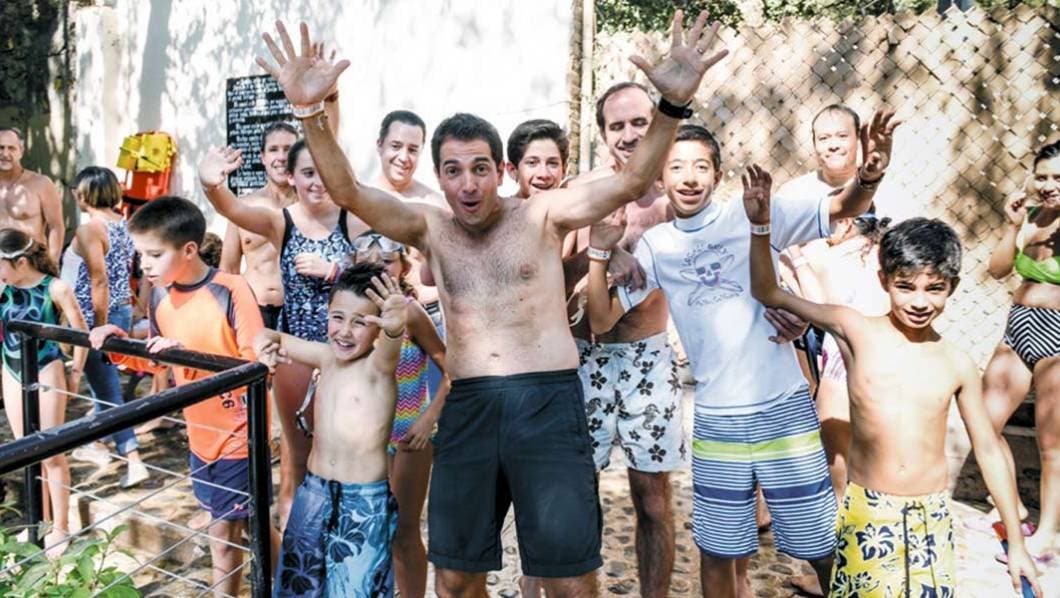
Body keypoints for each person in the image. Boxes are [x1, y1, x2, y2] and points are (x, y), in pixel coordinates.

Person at [256, 11, 728, 595]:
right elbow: (348, 190)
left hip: (547, 402)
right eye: (453, 171)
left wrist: (673, 106)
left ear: (500, 170)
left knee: (570, 581)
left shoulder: (542, 214)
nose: (468, 184)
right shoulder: (429, 226)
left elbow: (630, 183)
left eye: (480, 168)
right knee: (454, 578)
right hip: (471, 405)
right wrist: (310, 113)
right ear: (439, 176)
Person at [585, 120, 896, 596]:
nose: (689, 178)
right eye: (676, 167)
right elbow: (601, 318)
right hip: (717, 419)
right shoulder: (658, 245)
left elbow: (843, 206)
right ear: (660, 178)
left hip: (783, 410)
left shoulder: (755, 211)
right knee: (718, 551)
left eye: (700, 166)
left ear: (718, 174)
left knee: (819, 546)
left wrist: (869, 176)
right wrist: (599, 253)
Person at [741, 167, 1043, 596]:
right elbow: (768, 290)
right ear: (884, 280)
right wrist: (760, 226)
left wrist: (1016, 543)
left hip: (930, 518)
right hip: (867, 513)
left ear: (952, 287)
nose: (919, 301)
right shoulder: (855, 330)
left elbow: (989, 448)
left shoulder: (956, 363)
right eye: (906, 286)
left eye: (934, 288)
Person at [88, 196, 273, 597]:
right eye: (141, 255)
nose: (144, 265)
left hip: (239, 435)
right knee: (245, 525)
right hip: (200, 436)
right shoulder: (160, 296)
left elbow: (256, 366)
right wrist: (119, 343)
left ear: (189, 250)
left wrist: (185, 354)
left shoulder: (231, 290)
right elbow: (157, 361)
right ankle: (292, 579)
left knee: (223, 536)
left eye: (154, 255)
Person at [198, 140, 367, 530]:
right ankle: (299, 548)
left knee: (347, 456)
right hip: (297, 356)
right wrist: (210, 184)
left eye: (325, 172)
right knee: (298, 458)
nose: (318, 182)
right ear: (291, 177)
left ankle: (341, 538)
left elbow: (382, 275)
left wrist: (334, 271)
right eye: (308, 173)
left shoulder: (354, 220)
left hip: (348, 358)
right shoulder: (281, 222)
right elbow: (233, 209)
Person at [568, 82, 687, 598]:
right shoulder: (585, 191)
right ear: (602, 135)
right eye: (616, 126)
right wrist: (601, 252)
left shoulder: (675, 194)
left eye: (640, 122)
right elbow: (551, 267)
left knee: (653, 500)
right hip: (587, 358)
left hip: (647, 359)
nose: (629, 134)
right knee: (578, 496)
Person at [257, 265, 407, 597]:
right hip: (314, 493)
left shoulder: (377, 368)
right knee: (298, 586)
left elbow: (390, 350)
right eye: (338, 318)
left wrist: (395, 329)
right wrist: (262, 346)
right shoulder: (325, 358)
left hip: (362, 502)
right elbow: (272, 335)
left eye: (361, 322)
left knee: (356, 590)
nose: (345, 331)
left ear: (378, 327)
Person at [351, 230, 449, 598]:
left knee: (403, 533)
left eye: (387, 261)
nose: (378, 268)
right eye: (368, 261)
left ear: (403, 267)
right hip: (365, 438)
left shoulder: (410, 313)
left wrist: (429, 418)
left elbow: (450, 368)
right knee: (369, 530)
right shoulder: (351, 313)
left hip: (408, 434)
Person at [984, 139, 1060, 559]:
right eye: (1043, 177)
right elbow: (997, 270)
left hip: (1058, 338)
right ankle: (1014, 509)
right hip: (1018, 330)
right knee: (984, 421)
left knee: (1052, 444)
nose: (1049, 185)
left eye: (1058, 178)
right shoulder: (1032, 218)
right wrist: (1013, 227)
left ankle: (1046, 535)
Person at [62, 166, 150, 489]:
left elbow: (99, 280)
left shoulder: (90, 230)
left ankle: (133, 459)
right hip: (119, 310)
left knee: (107, 389)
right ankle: (98, 442)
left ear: (83, 194)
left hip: (93, 316)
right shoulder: (123, 224)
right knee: (104, 383)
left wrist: (99, 326)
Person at [0, 228, 86, 554]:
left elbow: (81, 332)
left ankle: (61, 527)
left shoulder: (56, 288)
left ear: (21, 262)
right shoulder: (3, 289)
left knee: (51, 453)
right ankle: (38, 522)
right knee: (26, 452)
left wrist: (75, 373)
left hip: (47, 369)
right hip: (11, 372)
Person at [220, 121, 300, 331]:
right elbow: (228, 268)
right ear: (263, 157)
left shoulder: (309, 209)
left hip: (297, 310)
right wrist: (225, 315)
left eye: (288, 149)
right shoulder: (243, 207)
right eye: (274, 149)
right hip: (252, 308)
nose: (281, 157)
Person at [0, 127, 65, 264]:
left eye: (11, 148)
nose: (5, 153)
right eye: (1, 147)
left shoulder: (40, 184)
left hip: (32, 264)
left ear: (21, 151)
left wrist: (52, 264)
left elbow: (56, 227)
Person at [506, 119, 569, 199]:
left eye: (552, 163)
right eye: (532, 163)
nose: (544, 174)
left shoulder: (574, 206)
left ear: (564, 170)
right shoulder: (498, 206)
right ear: (513, 170)